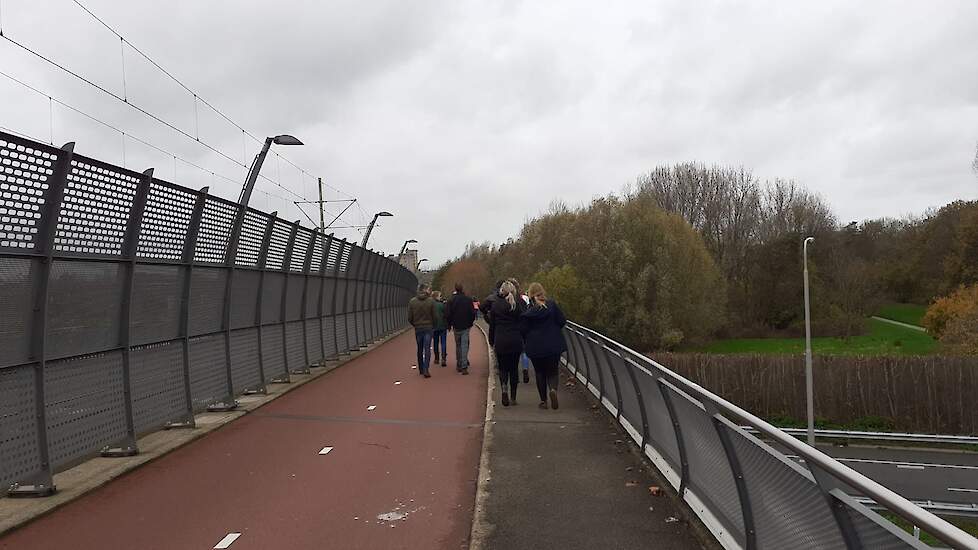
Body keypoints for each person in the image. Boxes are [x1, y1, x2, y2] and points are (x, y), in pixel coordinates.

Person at [520, 282, 567, 410]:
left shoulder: (528, 313)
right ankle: (553, 389)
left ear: (530, 295)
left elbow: (523, 330)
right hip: (553, 345)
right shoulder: (552, 305)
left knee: (539, 373)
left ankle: (543, 401)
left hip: (535, 347)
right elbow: (562, 321)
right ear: (543, 292)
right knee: (553, 371)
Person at [491, 280, 526, 406]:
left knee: (503, 368)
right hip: (515, 340)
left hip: (501, 339)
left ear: (501, 291)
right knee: (513, 369)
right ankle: (513, 397)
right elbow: (523, 323)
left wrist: (491, 340)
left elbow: (493, 325)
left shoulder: (495, 305)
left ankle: (504, 387)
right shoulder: (518, 305)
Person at [445, 282, 476, 375]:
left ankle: (459, 364)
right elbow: (472, 312)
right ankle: (464, 365)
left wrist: (449, 324)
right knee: (464, 345)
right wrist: (470, 322)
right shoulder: (468, 300)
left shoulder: (451, 300)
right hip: (466, 325)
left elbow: (448, 314)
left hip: (456, 325)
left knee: (458, 345)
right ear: (462, 289)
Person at [407, 283, 436, 378]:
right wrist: (433, 325)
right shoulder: (431, 301)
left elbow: (410, 317)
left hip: (418, 328)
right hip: (428, 327)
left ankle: (421, 368)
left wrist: (415, 324)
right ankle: (426, 369)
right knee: (427, 348)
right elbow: (434, 316)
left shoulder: (412, 301)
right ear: (425, 290)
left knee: (419, 348)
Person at [431, 291, 448, 367]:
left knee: (435, 342)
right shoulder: (443, 305)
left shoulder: (431, 305)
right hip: (443, 326)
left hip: (434, 327)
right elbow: (446, 315)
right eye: (440, 296)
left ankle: (436, 358)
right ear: (436, 296)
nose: (441, 297)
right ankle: (443, 358)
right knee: (443, 342)